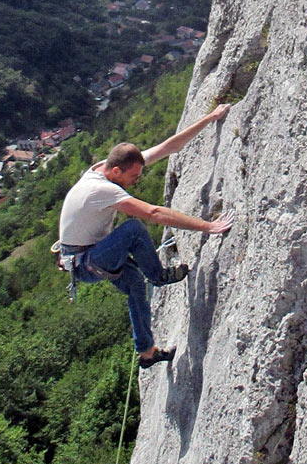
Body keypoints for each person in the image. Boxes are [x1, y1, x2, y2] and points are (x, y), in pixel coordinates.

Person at [57, 104, 234, 369]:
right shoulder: (103, 190)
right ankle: (159, 276)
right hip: (86, 260)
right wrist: (207, 226)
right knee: (134, 229)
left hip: (84, 256)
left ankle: (147, 351)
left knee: (135, 285)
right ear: (116, 171)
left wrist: (210, 118)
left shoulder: (103, 168)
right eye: (134, 177)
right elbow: (153, 213)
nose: (136, 181)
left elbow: (167, 148)